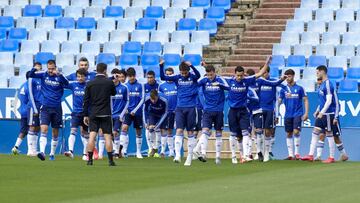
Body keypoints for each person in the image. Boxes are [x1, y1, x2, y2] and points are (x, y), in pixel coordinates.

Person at [159, 61, 201, 166]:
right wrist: (161, 66)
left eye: (185, 73)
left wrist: (192, 65)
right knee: (178, 130)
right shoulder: (177, 77)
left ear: (188, 71)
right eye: (182, 73)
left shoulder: (193, 77)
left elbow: (199, 75)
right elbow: (163, 77)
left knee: (190, 132)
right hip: (180, 107)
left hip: (191, 107)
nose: (183, 75)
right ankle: (177, 155)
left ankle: (189, 157)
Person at [29, 60, 69, 161]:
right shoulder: (43, 74)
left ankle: (52, 153)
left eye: (52, 69)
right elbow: (30, 74)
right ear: (47, 68)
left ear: (55, 67)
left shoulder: (59, 76)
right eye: (49, 68)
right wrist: (35, 68)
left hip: (57, 108)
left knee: (55, 132)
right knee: (44, 129)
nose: (51, 71)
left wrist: (60, 74)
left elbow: (67, 83)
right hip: (45, 107)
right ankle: (42, 152)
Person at [302, 65, 338, 164]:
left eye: (318, 72)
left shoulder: (328, 84)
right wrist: (318, 110)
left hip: (328, 114)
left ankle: (331, 157)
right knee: (315, 132)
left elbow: (329, 100)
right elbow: (322, 101)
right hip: (322, 113)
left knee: (329, 134)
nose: (317, 74)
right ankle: (310, 155)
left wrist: (322, 112)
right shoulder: (322, 84)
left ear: (322, 71)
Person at [83, 63, 116, 166]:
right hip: (105, 113)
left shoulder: (90, 83)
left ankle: (90, 160)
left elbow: (86, 100)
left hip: (94, 112)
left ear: (96, 70)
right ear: (105, 70)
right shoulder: (109, 82)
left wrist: (85, 115)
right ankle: (110, 161)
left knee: (92, 136)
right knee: (107, 137)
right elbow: (113, 93)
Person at [195, 65, 228, 165]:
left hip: (218, 110)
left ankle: (217, 156)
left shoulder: (220, 79)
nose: (209, 76)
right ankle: (203, 153)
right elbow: (195, 84)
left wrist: (219, 85)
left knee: (218, 133)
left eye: (211, 74)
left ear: (214, 72)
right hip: (208, 110)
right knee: (205, 131)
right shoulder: (204, 80)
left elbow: (229, 88)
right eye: (208, 74)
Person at [257, 65, 287, 162]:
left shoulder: (273, 81)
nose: (263, 74)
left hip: (270, 109)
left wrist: (288, 92)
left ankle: (267, 153)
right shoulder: (258, 82)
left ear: (268, 72)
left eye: (265, 72)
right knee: (258, 131)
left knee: (268, 131)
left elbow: (284, 88)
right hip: (259, 109)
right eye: (262, 72)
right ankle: (259, 152)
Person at [314, 78, 348, 162]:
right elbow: (322, 103)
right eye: (317, 80)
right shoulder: (321, 90)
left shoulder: (331, 91)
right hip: (324, 115)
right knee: (321, 134)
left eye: (319, 80)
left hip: (331, 115)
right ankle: (318, 156)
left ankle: (343, 154)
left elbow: (337, 104)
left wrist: (336, 117)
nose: (318, 82)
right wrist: (318, 110)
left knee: (335, 136)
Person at [278, 69, 309, 160]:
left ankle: (297, 153)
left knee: (296, 131)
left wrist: (306, 113)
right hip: (287, 114)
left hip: (297, 113)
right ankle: (291, 155)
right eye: (286, 76)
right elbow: (279, 101)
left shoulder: (300, 88)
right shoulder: (283, 89)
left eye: (289, 76)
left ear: (293, 76)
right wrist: (275, 110)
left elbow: (305, 100)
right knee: (288, 133)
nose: (288, 78)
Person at [63, 69, 89, 160]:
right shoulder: (73, 84)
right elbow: (63, 82)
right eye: (78, 76)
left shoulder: (89, 85)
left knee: (85, 133)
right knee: (73, 130)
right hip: (75, 113)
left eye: (82, 76)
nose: (80, 78)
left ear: (85, 77)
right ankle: (71, 151)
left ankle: (85, 154)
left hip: (86, 113)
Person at [121, 67, 145, 159]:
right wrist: (125, 109)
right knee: (124, 128)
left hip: (137, 112)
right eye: (129, 76)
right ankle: (124, 151)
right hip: (127, 111)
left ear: (135, 76)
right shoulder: (125, 86)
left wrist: (135, 110)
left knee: (138, 131)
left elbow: (142, 99)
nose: (131, 78)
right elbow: (123, 100)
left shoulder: (140, 85)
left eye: (132, 76)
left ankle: (138, 152)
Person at [158, 67, 177, 158]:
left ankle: (171, 151)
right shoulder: (161, 86)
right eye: (167, 74)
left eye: (170, 74)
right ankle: (162, 150)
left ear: (173, 74)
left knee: (170, 130)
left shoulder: (177, 84)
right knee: (163, 130)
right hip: (165, 112)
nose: (169, 76)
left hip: (176, 111)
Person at [143, 89, 168, 157]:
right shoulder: (147, 99)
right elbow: (144, 111)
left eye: (155, 99)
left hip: (162, 115)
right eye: (152, 99)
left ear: (157, 96)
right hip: (153, 114)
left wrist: (157, 125)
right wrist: (145, 122)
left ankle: (162, 152)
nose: (153, 101)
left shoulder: (164, 100)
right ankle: (153, 148)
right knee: (151, 129)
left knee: (163, 131)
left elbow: (165, 112)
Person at [25, 63, 43, 156]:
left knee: (38, 127)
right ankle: (30, 150)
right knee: (32, 126)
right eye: (36, 69)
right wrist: (34, 108)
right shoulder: (31, 79)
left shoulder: (41, 79)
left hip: (41, 105)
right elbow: (30, 95)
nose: (38, 71)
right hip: (33, 106)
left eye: (39, 69)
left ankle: (34, 150)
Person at [110, 68, 129, 159]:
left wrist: (122, 114)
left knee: (115, 132)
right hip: (109, 115)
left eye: (117, 76)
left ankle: (116, 152)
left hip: (118, 115)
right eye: (114, 76)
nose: (115, 78)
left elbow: (127, 101)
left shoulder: (124, 88)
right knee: (110, 134)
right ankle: (118, 150)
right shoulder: (108, 87)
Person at [144, 70, 160, 157]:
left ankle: (156, 149)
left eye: (151, 77)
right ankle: (150, 148)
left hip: (158, 111)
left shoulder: (158, 86)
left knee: (157, 129)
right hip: (148, 111)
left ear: (154, 77)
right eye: (148, 77)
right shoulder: (144, 86)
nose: (149, 79)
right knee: (148, 129)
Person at [11, 78, 29, 155]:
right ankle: (31, 150)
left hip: (22, 111)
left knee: (23, 131)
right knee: (32, 130)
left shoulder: (22, 85)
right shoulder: (30, 86)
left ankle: (15, 147)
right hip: (29, 110)